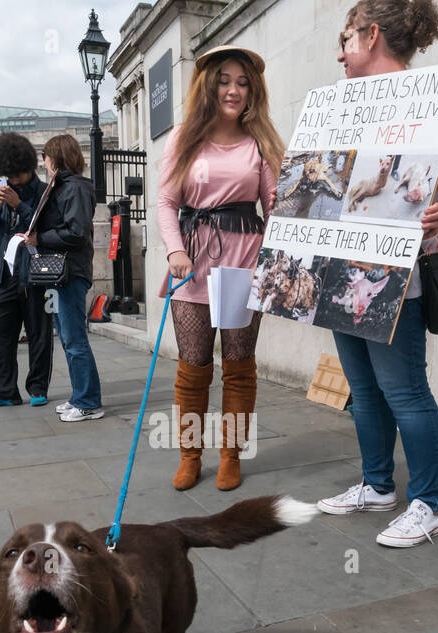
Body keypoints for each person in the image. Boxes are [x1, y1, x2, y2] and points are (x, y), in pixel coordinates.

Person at [315, 0, 438, 548]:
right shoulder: (340, 103)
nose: (339, 53)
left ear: (370, 36)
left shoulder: (434, 97)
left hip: (399, 277)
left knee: (404, 390)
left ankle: (428, 504)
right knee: (362, 389)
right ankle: (376, 485)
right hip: (340, 268)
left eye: (345, 39)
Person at [157, 46, 282, 487]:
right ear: (209, 84)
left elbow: (275, 207)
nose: (234, 90)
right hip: (191, 263)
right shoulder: (183, 136)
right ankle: (190, 456)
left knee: (238, 362)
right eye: (226, 80)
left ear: (253, 92)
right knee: (192, 365)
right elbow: (167, 201)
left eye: (243, 83)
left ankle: (231, 455)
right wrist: (174, 250)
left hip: (244, 263)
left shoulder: (259, 142)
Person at [26, 134, 102, 420]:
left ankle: (88, 401)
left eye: (45, 157)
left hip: (70, 273)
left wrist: (39, 238)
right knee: (69, 339)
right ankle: (80, 395)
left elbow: (77, 232)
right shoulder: (63, 188)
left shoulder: (76, 188)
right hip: (60, 274)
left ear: (56, 156)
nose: (43, 163)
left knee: (74, 339)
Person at [0, 132, 52, 407]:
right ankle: (4, 392)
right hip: (3, 276)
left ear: (28, 167)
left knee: (39, 335)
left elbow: (42, 225)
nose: (13, 180)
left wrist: (17, 204)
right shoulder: (0, 193)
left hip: (36, 276)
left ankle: (37, 388)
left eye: (17, 175)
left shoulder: (44, 191)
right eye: (8, 175)